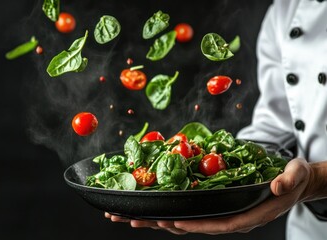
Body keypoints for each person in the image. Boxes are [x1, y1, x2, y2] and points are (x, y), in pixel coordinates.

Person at [105, 0, 327, 239]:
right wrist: (233, 168)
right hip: (309, 229)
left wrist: (316, 180)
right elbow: (275, 122)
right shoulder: (285, 10)